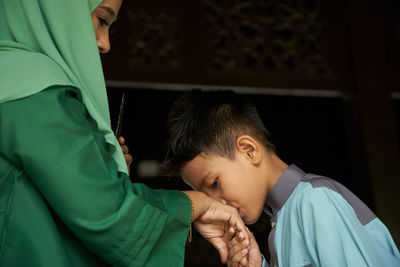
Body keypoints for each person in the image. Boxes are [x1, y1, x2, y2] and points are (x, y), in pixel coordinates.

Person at [0, 1, 249, 266]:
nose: (105, 44)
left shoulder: (13, 81)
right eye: (102, 20)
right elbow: (106, 212)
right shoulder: (37, 92)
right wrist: (197, 204)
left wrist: (102, 166)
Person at [162, 89, 400, 267]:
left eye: (214, 183)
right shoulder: (281, 221)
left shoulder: (315, 201)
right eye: (206, 195)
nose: (216, 203)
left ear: (248, 150)